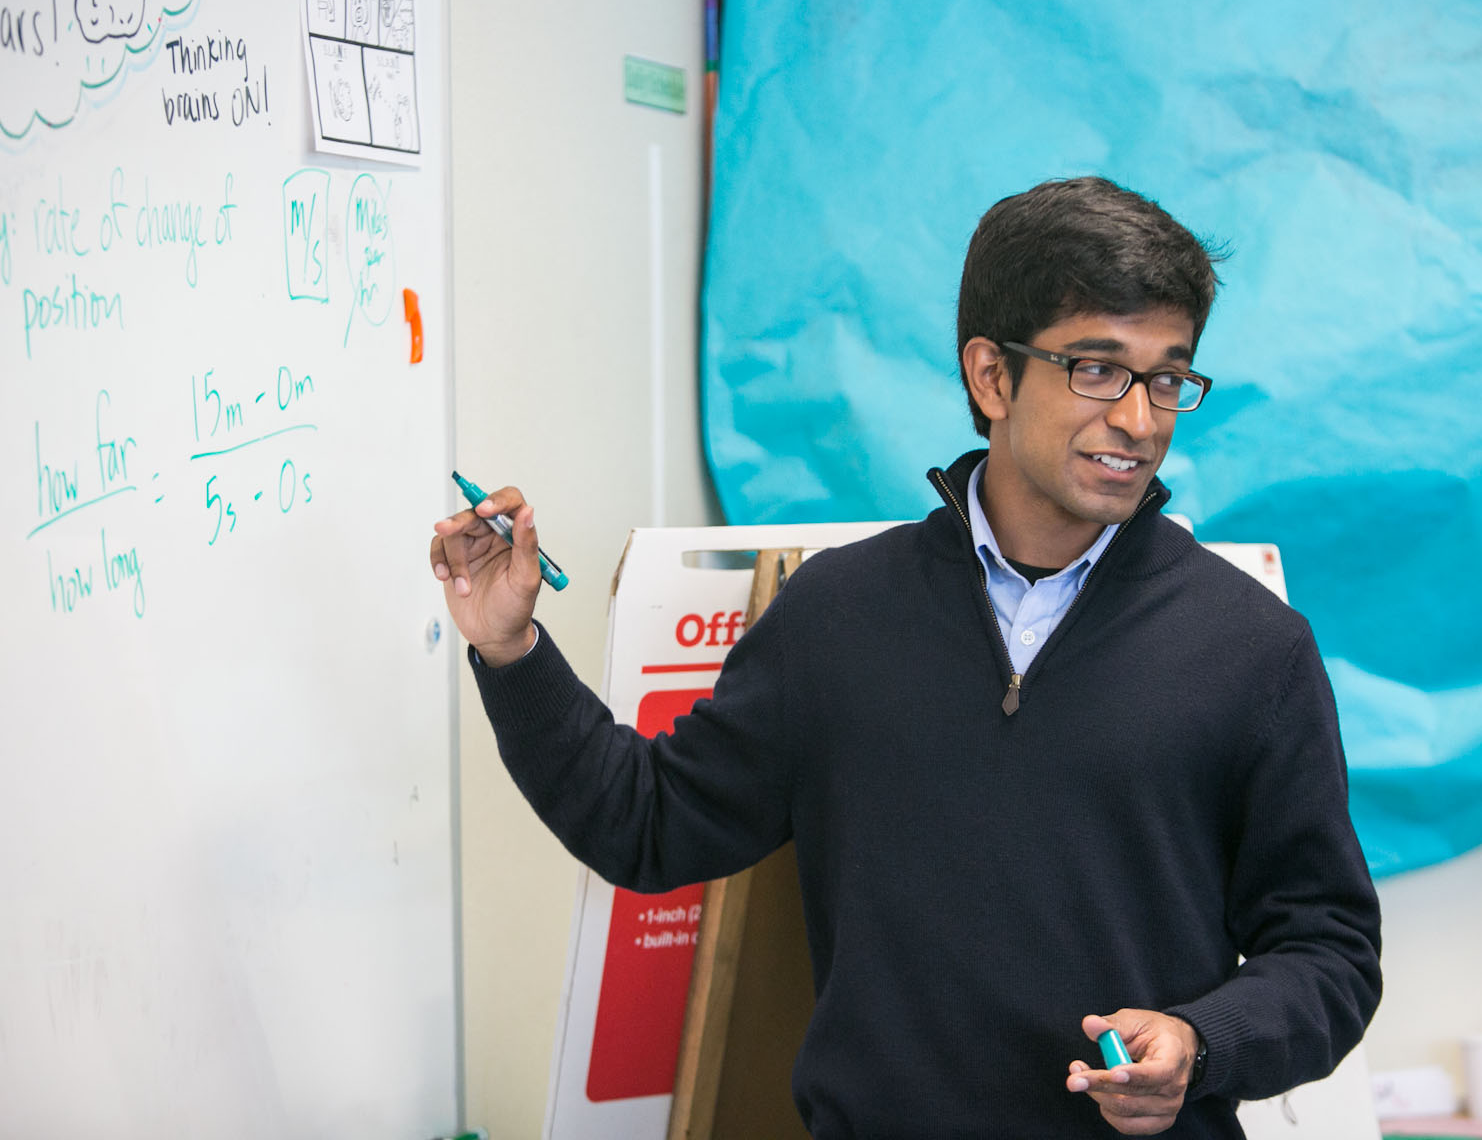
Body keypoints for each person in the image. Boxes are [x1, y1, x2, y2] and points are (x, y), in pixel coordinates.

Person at [430, 176, 1382, 1138]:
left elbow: (1331, 952)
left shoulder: (1253, 649)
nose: (1140, 419)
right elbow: (650, 823)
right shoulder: (838, 615)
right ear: (991, 375)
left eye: (1167, 377)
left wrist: (1201, 1040)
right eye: (1097, 368)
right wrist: (511, 649)